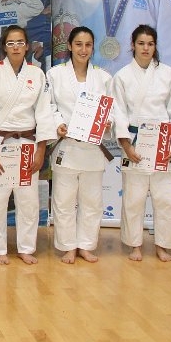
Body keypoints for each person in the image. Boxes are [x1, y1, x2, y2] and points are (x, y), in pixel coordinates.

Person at [0, 25, 55, 265]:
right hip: (0, 142)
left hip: (28, 143)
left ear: (27, 46)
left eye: (20, 42)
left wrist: (41, 149)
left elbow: (44, 114)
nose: (16, 47)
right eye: (11, 43)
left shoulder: (38, 75)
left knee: (28, 200)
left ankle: (26, 247)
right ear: (4, 47)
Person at [109, 24, 171, 262]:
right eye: (141, 43)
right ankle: (135, 245)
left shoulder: (168, 74)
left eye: (150, 44)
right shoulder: (122, 76)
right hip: (135, 141)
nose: (145, 48)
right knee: (134, 198)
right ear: (132, 45)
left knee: (166, 199)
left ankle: (163, 244)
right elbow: (119, 113)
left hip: (162, 143)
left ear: (155, 46)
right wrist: (126, 146)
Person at [47, 26, 113, 264]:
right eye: (78, 44)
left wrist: (108, 124)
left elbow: (111, 110)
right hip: (67, 146)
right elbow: (50, 106)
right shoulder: (55, 74)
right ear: (70, 47)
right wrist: (58, 124)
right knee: (63, 200)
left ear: (93, 47)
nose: (83, 49)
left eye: (87, 45)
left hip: (92, 150)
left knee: (92, 201)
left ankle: (86, 245)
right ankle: (67, 246)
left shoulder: (104, 77)